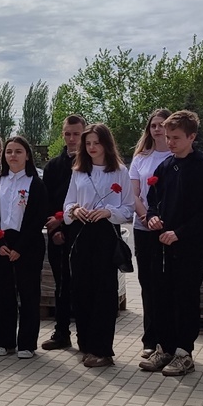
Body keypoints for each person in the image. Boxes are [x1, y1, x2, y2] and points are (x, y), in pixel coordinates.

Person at [142, 111, 203, 376]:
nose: (170, 142)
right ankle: (164, 347)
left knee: (185, 298)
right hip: (162, 245)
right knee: (160, 296)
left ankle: (184, 352)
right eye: (167, 136)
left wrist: (180, 233)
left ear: (192, 137)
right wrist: (152, 218)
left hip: (188, 246)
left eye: (176, 137)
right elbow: (153, 200)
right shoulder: (164, 167)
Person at [62, 124, 132, 368]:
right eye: (88, 143)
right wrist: (74, 209)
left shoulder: (120, 171)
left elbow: (127, 209)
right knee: (81, 290)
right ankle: (87, 344)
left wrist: (107, 212)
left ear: (106, 144)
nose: (92, 148)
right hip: (81, 233)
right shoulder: (79, 170)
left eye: (96, 143)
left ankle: (103, 349)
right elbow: (68, 203)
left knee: (104, 292)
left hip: (105, 234)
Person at [0, 136, 49, 359]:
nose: (13, 155)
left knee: (28, 294)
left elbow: (38, 217)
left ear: (27, 155)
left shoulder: (35, 183)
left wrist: (20, 247)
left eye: (18, 151)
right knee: (3, 294)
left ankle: (27, 344)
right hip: (1, 244)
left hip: (27, 245)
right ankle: (4, 340)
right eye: (9, 151)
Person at [129, 109, 173, 359]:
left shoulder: (176, 156)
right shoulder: (141, 158)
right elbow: (133, 193)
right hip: (143, 226)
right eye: (153, 125)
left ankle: (167, 341)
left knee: (165, 285)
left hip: (168, 228)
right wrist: (145, 216)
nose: (157, 129)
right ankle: (150, 339)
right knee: (148, 284)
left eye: (162, 125)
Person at [41, 115, 87, 352]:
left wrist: (65, 223)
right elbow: (47, 201)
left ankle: (85, 336)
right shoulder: (53, 166)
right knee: (61, 286)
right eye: (67, 134)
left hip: (82, 233)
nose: (71, 139)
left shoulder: (91, 165)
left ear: (85, 133)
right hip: (57, 233)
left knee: (82, 286)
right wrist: (55, 227)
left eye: (76, 134)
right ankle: (61, 333)